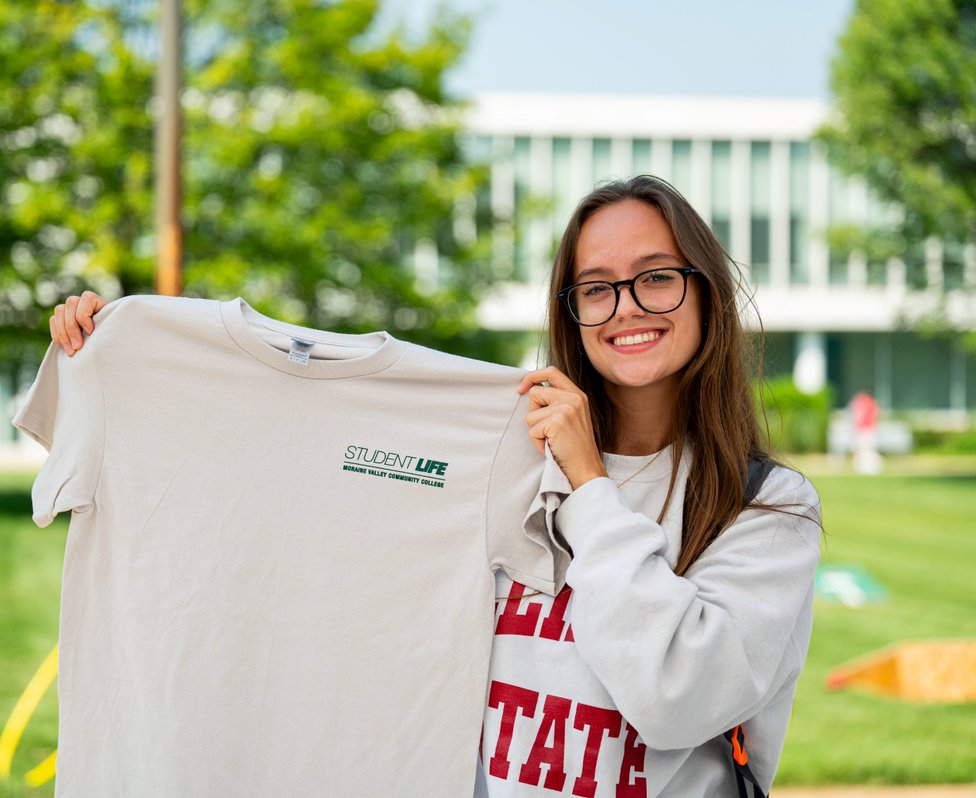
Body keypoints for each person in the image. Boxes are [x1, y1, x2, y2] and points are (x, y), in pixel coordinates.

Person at [44, 175, 821, 797]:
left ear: (707, 291)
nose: (627, 308)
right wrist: (113, 349)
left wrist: (589, 487)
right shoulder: (506, 447)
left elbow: (676, 696)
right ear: (571, 309)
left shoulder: (768, 509)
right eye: (596, 287)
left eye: (657, 278)